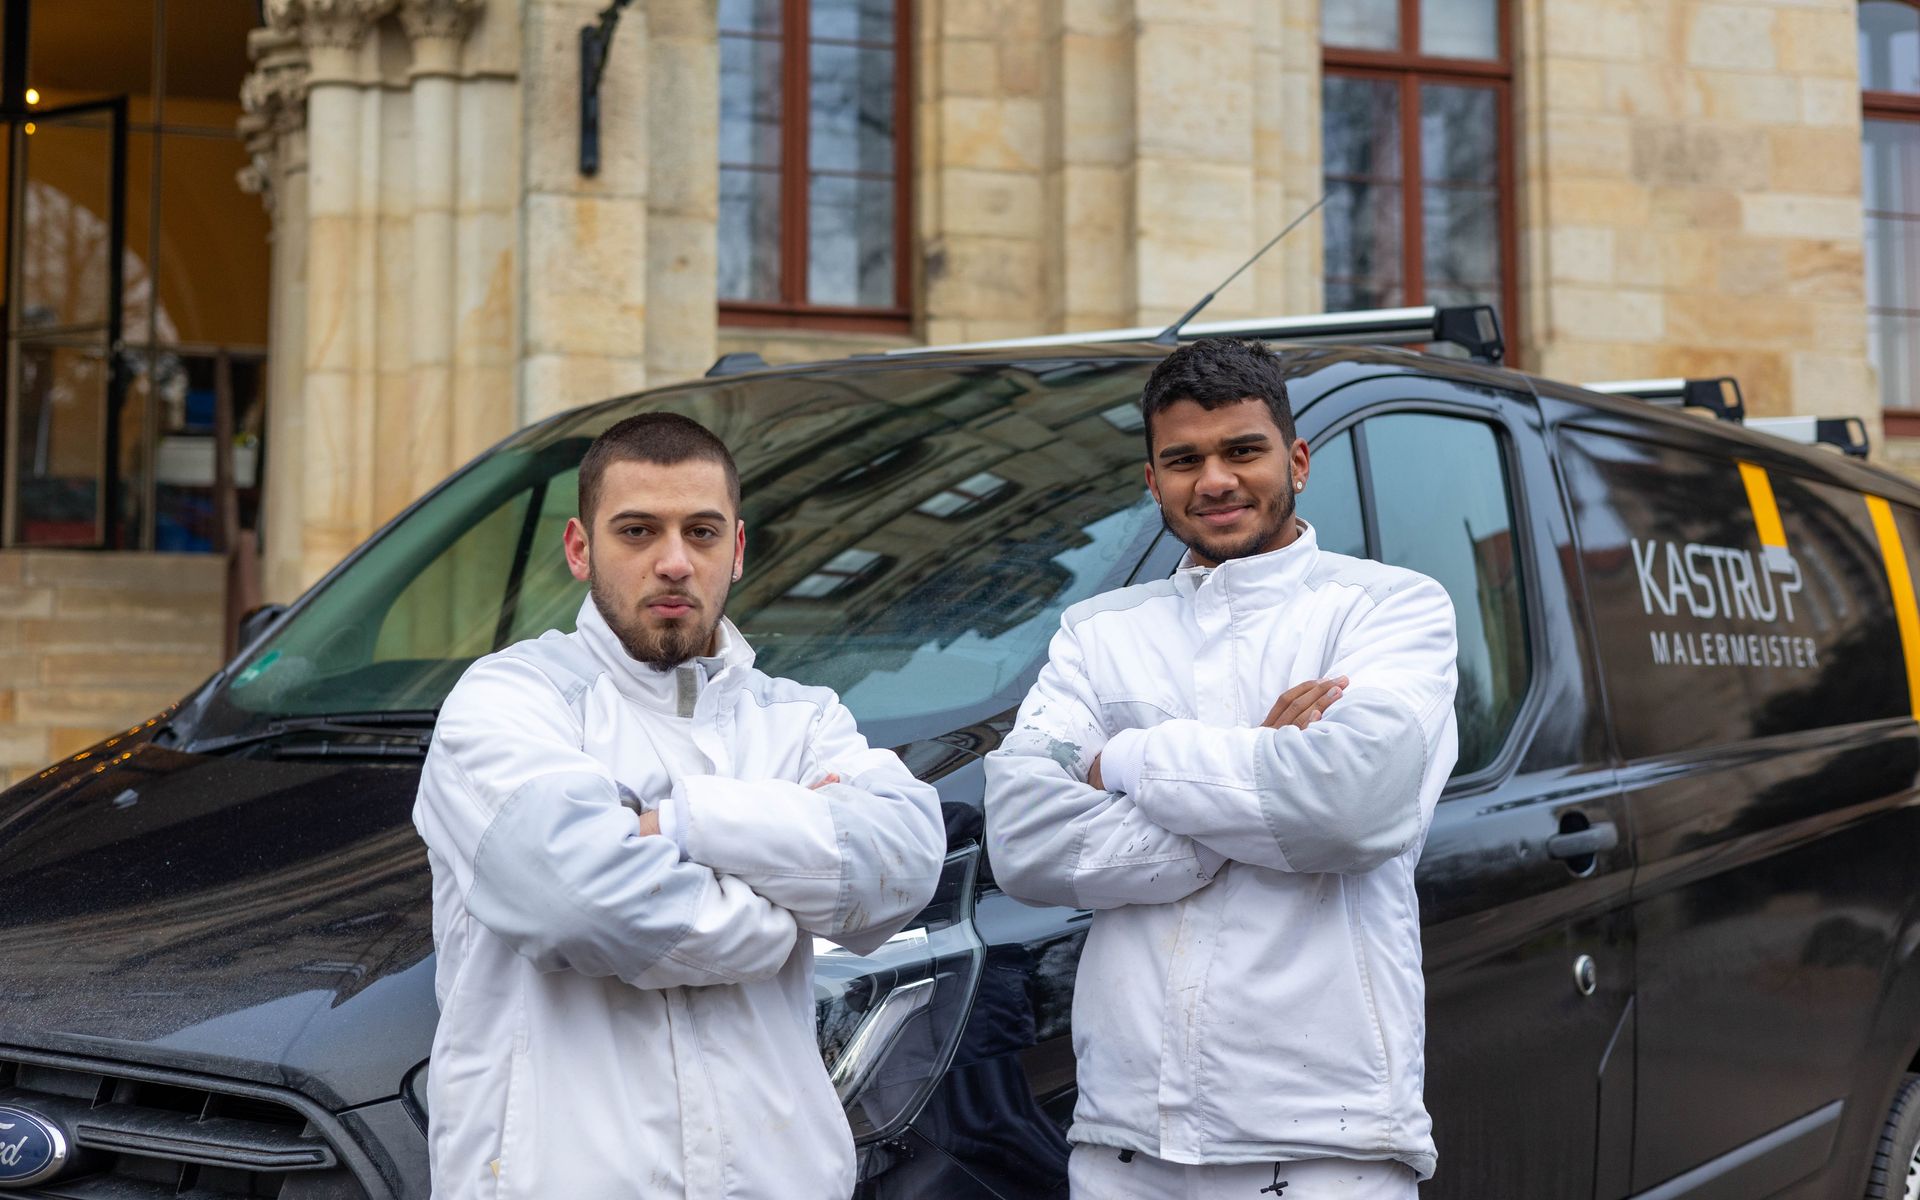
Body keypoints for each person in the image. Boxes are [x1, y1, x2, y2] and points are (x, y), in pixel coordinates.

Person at [413, 412, 946, 1199]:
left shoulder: (800, 716)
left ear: (736, 548)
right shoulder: (506, 702)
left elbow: (904, 862)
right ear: (579, 548)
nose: (672, 562)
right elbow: (580, 902)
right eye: (637, 531)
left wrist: (685, 822)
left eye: (700, 532)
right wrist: (780, 910)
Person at [984, 338, 1459, 1199]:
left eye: (1243, 450)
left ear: (1297, 460)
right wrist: (1260, 787)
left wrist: (1122, 759)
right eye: (1184, 459)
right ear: (1151, 478)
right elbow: (1022, 843)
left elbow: (1347, 808)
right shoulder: (1098, 632)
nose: (1215, 480)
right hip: (1124, 1144)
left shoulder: (1391, 610)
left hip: (1324, 1146)